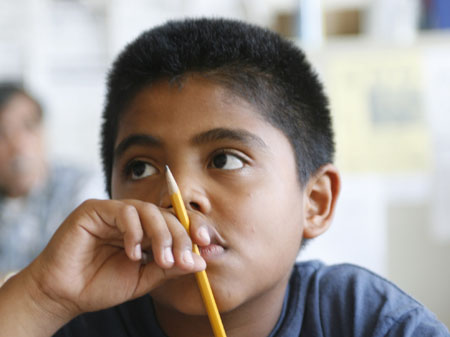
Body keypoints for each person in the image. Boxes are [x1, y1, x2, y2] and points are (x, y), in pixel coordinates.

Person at [0, 18, 448, 337]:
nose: (179, 197)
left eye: (226, 160)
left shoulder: (365, 320)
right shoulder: (73, 322)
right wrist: (41, 299)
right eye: (141, 168)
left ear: (315, 202)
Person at [0, 83, 106, 278]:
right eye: (2, 133)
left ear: (42, 131)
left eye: (28, 127)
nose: (18, 144)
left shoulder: (82, 188)